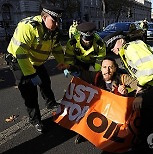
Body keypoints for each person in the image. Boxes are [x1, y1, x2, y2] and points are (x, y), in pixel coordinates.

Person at [104, 30, 153, 151]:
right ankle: (148, 138)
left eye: (113, 46)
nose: (112, 50)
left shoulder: (130, 48)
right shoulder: (126, 53)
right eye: (110, 49)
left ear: (120, 41)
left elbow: (148, 69)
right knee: (148, 107)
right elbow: (139, 76)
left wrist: (139, 93)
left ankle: (146, 143)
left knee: (147, 104)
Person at [6, 3, 65, 133]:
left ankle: (51, 103)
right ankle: (35, 120)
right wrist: (31, 75)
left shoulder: (53, 30)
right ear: (44, 17)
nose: (57, 24)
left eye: (58, 20)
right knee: (29, 93)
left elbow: (57, 48)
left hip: (36, 62)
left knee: (45, 82)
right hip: (20, 62)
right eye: (54, 20)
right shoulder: (27, 27)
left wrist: (63, 63)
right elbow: (21, 54)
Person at [65, 56, 139, 144]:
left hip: (117, 111)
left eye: (110, 67)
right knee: (85, 104)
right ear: (101, 68)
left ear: (115, 68)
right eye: (104, 67)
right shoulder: (97, 76)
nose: (107, 71)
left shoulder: (123, 78)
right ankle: (84, 133)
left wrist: (128, 93)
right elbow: (81, 73)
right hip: (101, 108)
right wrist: (68, 67)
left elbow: (138, 85)